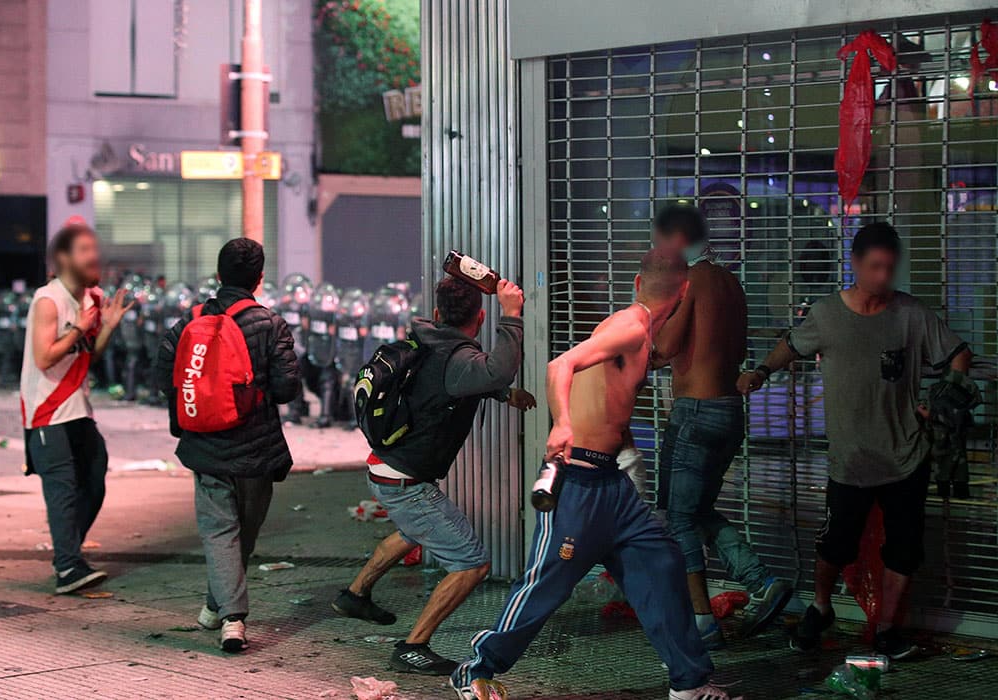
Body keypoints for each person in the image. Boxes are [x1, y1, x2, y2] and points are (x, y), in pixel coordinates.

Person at [452, 249, 740, 700]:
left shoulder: (642, 335)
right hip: (577, 484)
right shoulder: (629, 325)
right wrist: (563, 422)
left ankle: (689, 683)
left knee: (663, 563)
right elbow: (558, 366)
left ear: (638, 282)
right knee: (547, 585)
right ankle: (476, 669)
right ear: (683, 294)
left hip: (613, 485)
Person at [738, 222, 971, 659]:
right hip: (850, 461)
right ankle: (821, 607)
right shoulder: (828, 314)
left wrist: (949, 390)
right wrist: (762, 372)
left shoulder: (910, 314)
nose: (883, 276)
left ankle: (886, 630)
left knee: (903, 550)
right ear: (856, 264)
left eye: (890, 267)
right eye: (875, 266)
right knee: (834, 545)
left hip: (906, 456)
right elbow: (791, 344)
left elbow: (958, 351)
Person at [333, 275, 535, 675]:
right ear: (479, 319)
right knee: (471, 563)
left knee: (414, 531)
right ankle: (413, 646)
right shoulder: (458, 358)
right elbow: (495, 370)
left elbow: (452, 383)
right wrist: (512, 315)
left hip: (386, 466)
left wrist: (502, 395)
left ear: (439, 313)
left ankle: (355, 595)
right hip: (406, 482)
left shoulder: (428, 339)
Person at [651, 205, 792, 649]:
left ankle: (701, 623)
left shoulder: (695, 280)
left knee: (678, 518)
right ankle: (762, 581)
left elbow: (669, 346)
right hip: (729, 410)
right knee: (698, 510)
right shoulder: (734, 283)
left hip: (696, 410)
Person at [156, 238, 301, 653]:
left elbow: (165, 376)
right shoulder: (270, 324)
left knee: (224, 535)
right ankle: (233, 621)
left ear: (219, 276)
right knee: (241, 533)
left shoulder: (189, 320)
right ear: (259, 277)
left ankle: (213, 605)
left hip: (205, 444)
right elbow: (287, 388)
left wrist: (186, 417)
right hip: (256, 449)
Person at [20, 222, 134, 594]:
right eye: (84, 250)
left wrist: (106, 327)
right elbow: (43, 357)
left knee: (94, 478)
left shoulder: (92, 301)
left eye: (94, 249)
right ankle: (68, 566)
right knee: (63, 488)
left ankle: (69, 553)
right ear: (64, 259)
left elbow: (89, 356)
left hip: (78, 407)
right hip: (46, 411)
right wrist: (79, 329)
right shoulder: (48, 300)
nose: (94, 256)